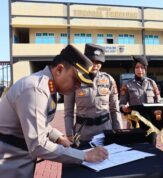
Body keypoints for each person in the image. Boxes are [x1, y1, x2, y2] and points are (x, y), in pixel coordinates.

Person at [0, 45, 108, 178]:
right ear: (59, 70)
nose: (77, 87)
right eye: (75, 80)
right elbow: (38, 145)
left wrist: (58, 137)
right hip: (9, 162)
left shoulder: (47, 86)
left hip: (18, 157)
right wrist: (85, 155)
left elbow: (39, 123)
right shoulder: (35, 89)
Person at [64, 44, 122, 145]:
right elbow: (68, 111)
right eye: (92, 61)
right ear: (85, 60)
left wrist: (118, 130)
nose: (95, 65)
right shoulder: (74, 80)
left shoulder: (109, 80)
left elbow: (114, 109)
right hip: (83, 133)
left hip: (105, 131)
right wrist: (69, 133)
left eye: (98, 62)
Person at [119, 56, 161, 145]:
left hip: (151, 123)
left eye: (142, 67)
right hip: (135, 123)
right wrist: (124, 108)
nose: (140, 70)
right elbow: (121, 104)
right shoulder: (127, 85)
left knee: (152, 148)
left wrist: (158, 118)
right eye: (137, 67)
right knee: (136, 148)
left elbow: (158, 103)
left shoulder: (152, 83)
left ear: (145, 69)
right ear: (134, 69)